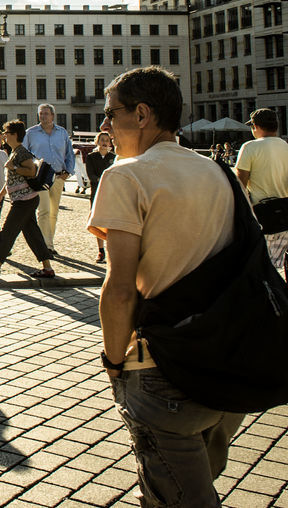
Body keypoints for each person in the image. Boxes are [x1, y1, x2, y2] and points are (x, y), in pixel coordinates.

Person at [88, 66, 243, 508]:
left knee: (178, 496)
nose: (104, 126)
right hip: (225, 363)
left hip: (162, 368)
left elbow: (119, 290)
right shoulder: (219, 173)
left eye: (110, 113)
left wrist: (114, 363)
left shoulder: (125, 176)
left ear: (141, 115)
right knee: (193, 483)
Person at [0, 120, 56, 279]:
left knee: (7, 231)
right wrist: (1, 195)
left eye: (6, 133)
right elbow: (11, 181)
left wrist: (13, 167)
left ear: (14, 135)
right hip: (22, 199)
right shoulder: (15, 152)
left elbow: (32, 171)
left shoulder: (22, 152)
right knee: (33, 234)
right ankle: (47, 268)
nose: (4, 136)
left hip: (25, 200)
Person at [235, 108, 288, 274]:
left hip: (261, 217)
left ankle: (270, 297)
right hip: (287, 218)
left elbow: (240, 186)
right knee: (274, 268)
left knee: (256, 269)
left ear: (255, 126)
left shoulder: (249, 147)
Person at [24, 104, 76, 253]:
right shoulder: (31, 133)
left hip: (58, 176)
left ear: (53, 115)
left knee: (54, 212)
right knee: (44, 210)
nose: (44, 117)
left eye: (46, 114)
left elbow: (69, 154)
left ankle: (49, 241)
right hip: (40, 177)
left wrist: (68, 171)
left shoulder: (62, 133)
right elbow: (25, 154)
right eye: (41, 114)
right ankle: (45, 245)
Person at [84, 132, 117, 263]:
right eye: (102, 140)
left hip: (110, 193)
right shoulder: (92, 157)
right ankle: (100, 250)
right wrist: (101, 180)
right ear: (97, 141)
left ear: (110, 143)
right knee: (98, 221)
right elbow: (90, 175)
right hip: (96, 192)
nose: (104, 142)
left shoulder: (113, 157)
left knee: (111, 221)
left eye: (107, 140)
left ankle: (111, 250)